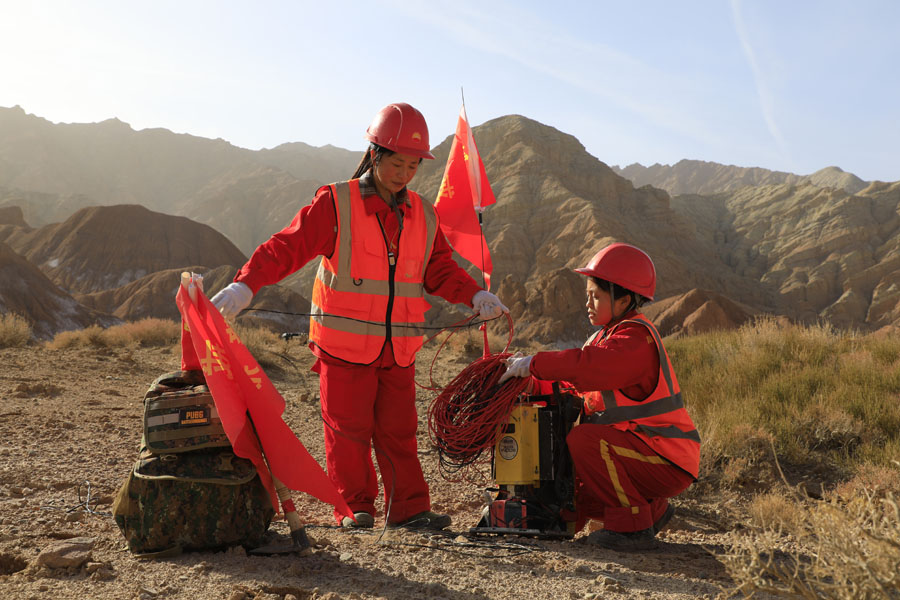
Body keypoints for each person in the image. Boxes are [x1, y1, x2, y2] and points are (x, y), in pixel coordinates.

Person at [212, 102, 508, 530]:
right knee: (347, 431)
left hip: (398, 348)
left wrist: (475, 294)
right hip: (343, 345)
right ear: (374, 154)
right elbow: (286, 247)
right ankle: (355, 508)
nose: (404, 173)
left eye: (412, 165)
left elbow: (439, 269)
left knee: (398, 432)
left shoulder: (423, 213)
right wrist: (246, 283)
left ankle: (408, 509)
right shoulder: (336, 203)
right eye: (397, 162)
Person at [498, 242, 699, 551]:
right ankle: (652, 510)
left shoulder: (634, 339)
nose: (588, 303)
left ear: (624, 300)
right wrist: (529, 381)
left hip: (666, 459)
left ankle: (632, 527)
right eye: (587, 295)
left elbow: (587, 367)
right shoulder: (608, 334)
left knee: (585, 442)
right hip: (648, 451)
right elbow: (575, 387)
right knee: (575, 497)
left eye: (596, 296)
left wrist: (534, 364)